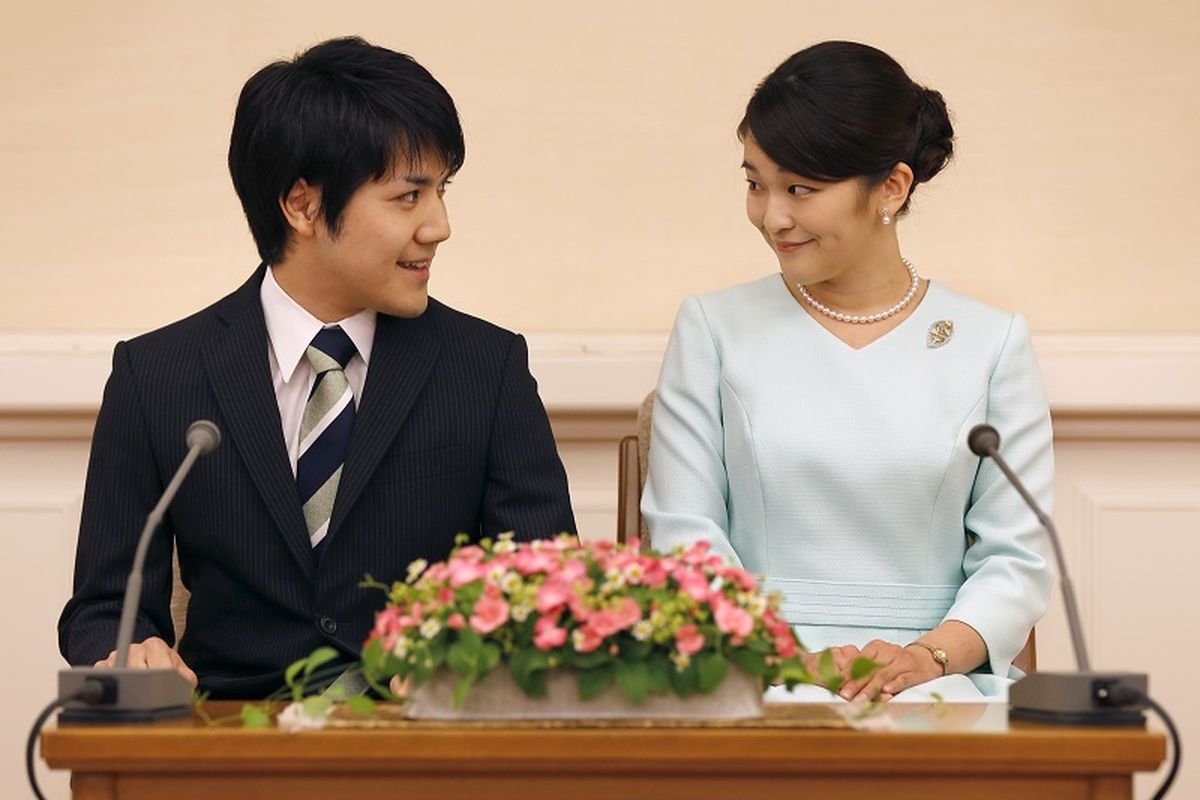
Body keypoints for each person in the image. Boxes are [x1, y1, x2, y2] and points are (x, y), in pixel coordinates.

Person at [58, 37, 576, 698]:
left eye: (441, 191)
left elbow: (551, 594)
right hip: (229, 748)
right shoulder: (156, 376)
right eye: (408, 197)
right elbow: (103, 607)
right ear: (301, 205)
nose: (439, 225)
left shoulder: (487, 368)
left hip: (424, 745)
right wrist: (130, 652)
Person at [642, 41, 1053, 702]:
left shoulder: (991, 342)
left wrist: (929, 657)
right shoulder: (714, 328)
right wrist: (787, 659)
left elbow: (1017, 558)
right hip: (752, 674)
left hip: (936, 682)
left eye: (799, 188)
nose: (772, 217)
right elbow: (684, 536)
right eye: (755, 184)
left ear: (891, 186)